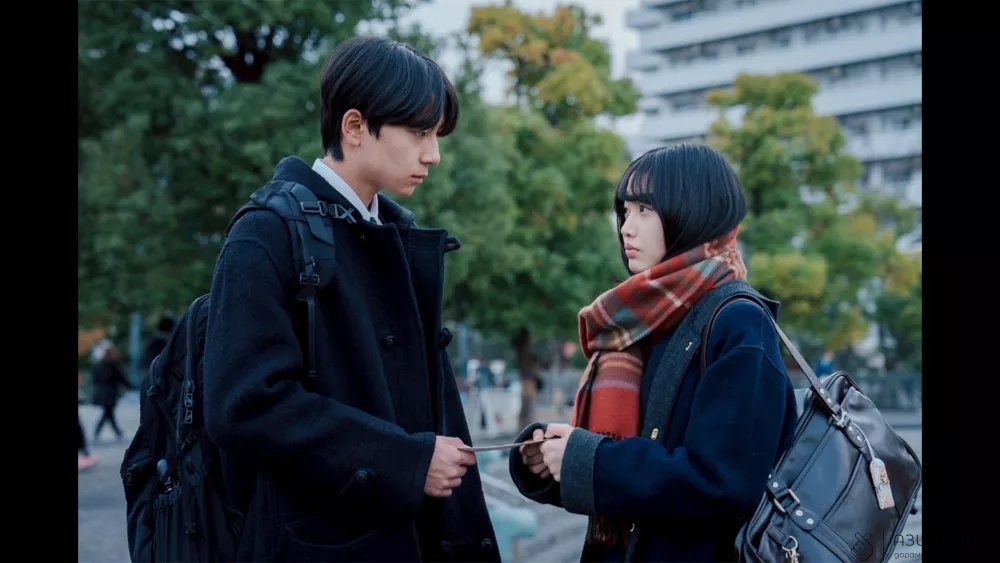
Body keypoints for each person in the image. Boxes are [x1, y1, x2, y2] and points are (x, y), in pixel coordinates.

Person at [202, 36, 500, 562]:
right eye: (419, 132)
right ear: (355, 127)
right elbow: (243, 406)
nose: (433, 154)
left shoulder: (395, 236)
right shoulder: (267, 233)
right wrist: (405, 462)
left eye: (436, 135)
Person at [509, 144, 800, 562]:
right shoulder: (642, 321)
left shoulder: (738, 321)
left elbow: (724, 481)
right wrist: (555, 459)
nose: (627, 228)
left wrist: (588, 459)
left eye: (645, 210)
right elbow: (635, 459)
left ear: (695, 211)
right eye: (625, 211)